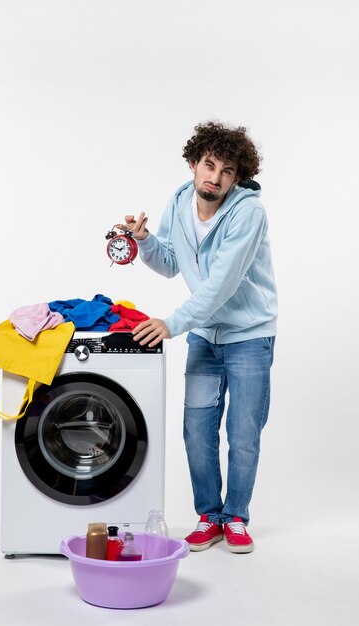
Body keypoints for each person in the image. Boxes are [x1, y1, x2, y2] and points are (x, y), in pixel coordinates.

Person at [118, 121, 277, 554]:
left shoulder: (249, 213)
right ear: (193, 164)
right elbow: (171, 262)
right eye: (209, 165)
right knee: (197, 430)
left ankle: (237, 517)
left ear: (237, 176)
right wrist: (145, 240)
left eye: (227, 171)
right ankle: (209, 515)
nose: (216, 177)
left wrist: (172, 323)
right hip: (205, 336)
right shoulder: (180, 200)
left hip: (249, 336)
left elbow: (221, 283)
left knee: (243, 432)